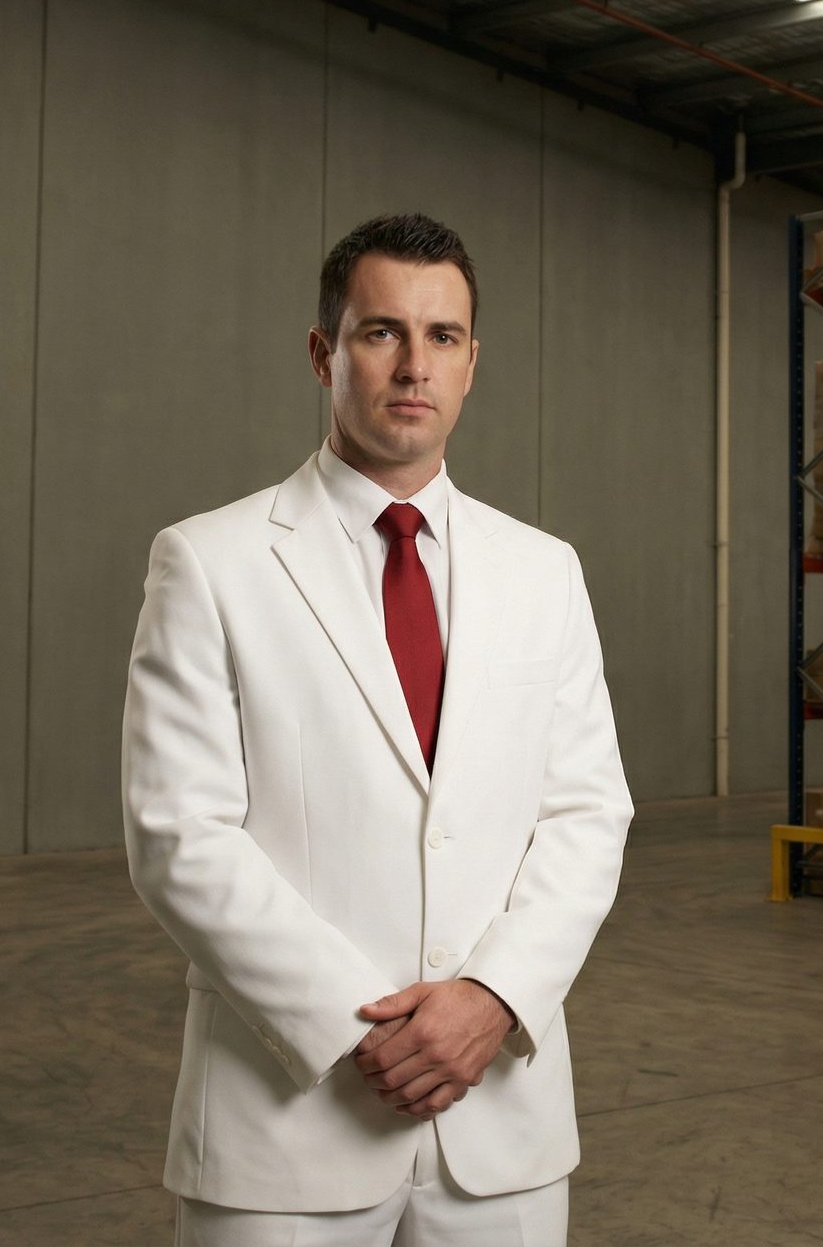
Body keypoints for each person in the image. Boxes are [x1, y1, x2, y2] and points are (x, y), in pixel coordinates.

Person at [121, 211, 632, 1246]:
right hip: (286, 1124)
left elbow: (587, 812)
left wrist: (491, 997)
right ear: (324, 352)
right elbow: (180, 834)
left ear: (473, 362)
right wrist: (361, 1024)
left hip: (498, 1125)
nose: (414, 365)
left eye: (443, 336)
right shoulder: (211, 562)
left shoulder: (545, 571)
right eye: (381, 331)